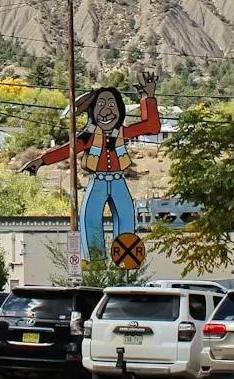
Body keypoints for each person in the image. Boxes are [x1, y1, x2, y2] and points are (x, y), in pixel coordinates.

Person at [37, 71, 160, 256]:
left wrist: (148, 97)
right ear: (92, 111)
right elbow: (66, 150)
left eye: (111, 104)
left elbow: (152, 126)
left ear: (120, 109)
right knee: (90, 219)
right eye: (101, 104)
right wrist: (41, 161)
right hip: (97, 182)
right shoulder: (88, 137)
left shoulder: (123, 132)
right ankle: (95, 259)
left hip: (119, 182)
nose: (106, 110)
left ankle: (126, 260)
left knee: (126, 218)